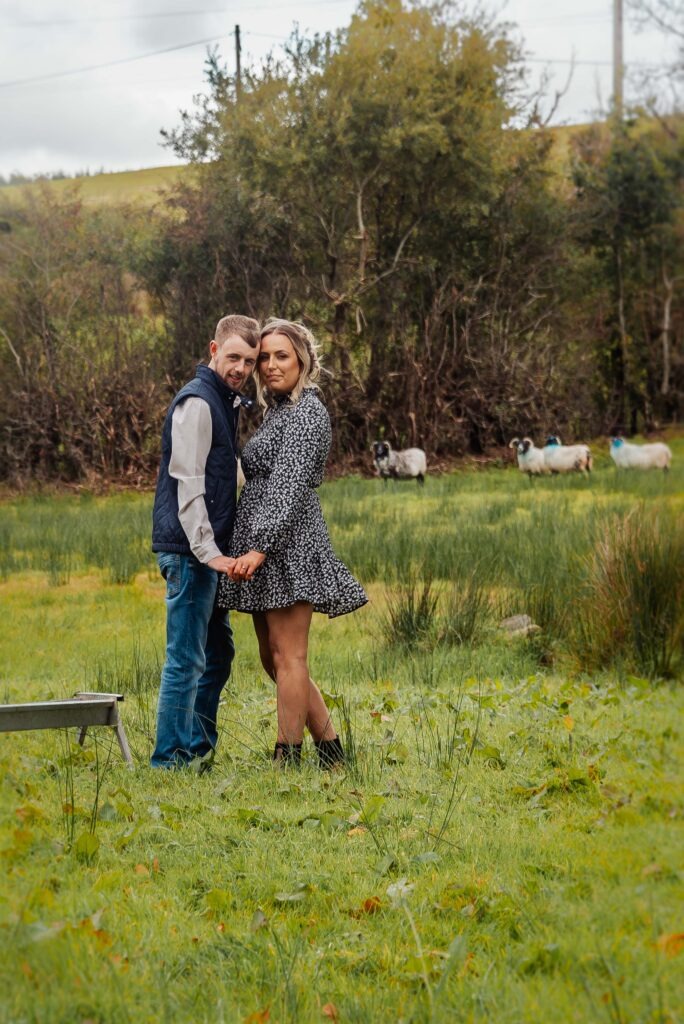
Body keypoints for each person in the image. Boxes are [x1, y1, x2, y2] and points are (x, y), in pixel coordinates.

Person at [217, 318, 368, 768]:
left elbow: (288, 485)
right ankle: (332, 752)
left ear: (302, 360)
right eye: (264, 357)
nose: (269, 365)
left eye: (281, 356)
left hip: (289, 545)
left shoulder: (306, 413)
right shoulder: (279, 411)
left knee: (289, 656)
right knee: (273, 658)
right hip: (265, 544)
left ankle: (287, 756)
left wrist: (259, 547)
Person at [150, 314, 261, 768]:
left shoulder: (224, 401)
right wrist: (209, 552)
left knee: (218, 653)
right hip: (189, 551)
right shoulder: (197, 402)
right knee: (186, 658)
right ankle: (170, 759)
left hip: (206, 552)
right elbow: (188, 483)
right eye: (233, 357)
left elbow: (224, 474)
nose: (241, 368)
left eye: (249, 361)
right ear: (214, 350)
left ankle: (197, 750)